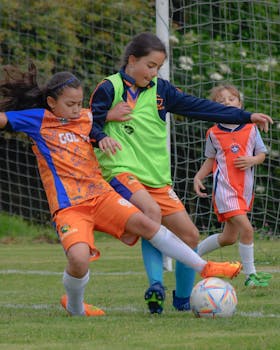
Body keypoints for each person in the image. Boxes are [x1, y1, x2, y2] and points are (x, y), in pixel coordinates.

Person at [0, 62, 244, 317]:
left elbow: (98, 116)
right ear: (51, 102)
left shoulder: (85, 117)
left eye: (79, 103)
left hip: (102, 197)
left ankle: (204, 267)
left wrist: (111, 116)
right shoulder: (38, 119)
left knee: (149, 224)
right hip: (70, 206)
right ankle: (75, 307)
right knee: (79, 259)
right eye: (70, 104)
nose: (76, 110)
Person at [89, 32, 273, 313]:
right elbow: (83, 121)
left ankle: (183, 300)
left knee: (190, 235)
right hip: (122, 171)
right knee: (151, 216)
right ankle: (155, 286)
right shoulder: (109, 87)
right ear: (132, 60)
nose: (153, 73)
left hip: (157, 177)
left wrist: (246, 116)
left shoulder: (162, 91)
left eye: (158, 68)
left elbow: (202, 108)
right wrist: (102, 125)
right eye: (150, 66)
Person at [193, 84, 272, 287]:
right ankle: (251, 276)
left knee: (229, 238)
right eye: (221, 101)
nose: (227, 103)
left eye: (231, 99)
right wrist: (198, 177)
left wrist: (252, 160)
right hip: (225, 191)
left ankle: (191, 255)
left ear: (240, 103)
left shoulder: (251, 128)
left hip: (244, 191)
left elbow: (262, 154)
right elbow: (211, 160)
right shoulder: (213, 133)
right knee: (247, 230)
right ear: (215, 108)